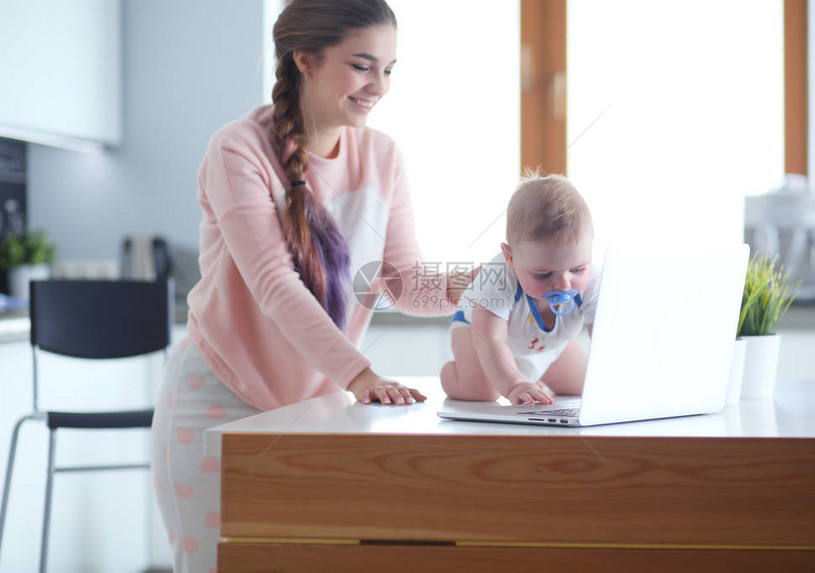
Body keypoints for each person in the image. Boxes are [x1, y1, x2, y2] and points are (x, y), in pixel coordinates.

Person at [151, 2, 471, 571]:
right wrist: (361, 374)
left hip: (316, 409)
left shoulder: (384, 156)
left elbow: (403, 282)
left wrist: (480, 286)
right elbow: (276, 286)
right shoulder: (238, 149)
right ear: (306, 60)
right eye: (362, 65)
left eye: (390, 69)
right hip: (219, 404)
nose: (380, 86)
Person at [440, 173, 600, 405]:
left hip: (545, 345)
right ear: (510, 257)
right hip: (481, 337)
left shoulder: (593, 280)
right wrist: (514, 385)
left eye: (577, 269)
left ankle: (531, 376)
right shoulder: (498, 276)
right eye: (544, 274)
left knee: (583, 385)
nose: (564, 284)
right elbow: (490, 339)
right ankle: (455, 374)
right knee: (482, 391)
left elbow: (604, 337)